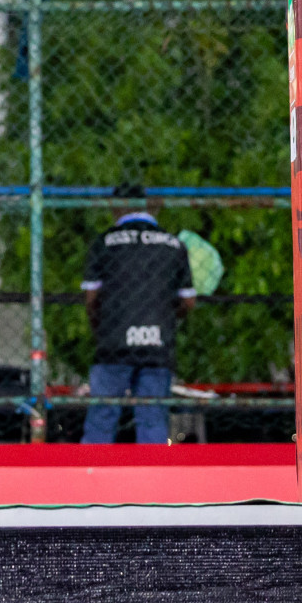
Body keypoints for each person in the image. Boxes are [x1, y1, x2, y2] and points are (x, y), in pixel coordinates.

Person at [79, 186, 198, 445]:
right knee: (153, 418)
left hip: (113, 341)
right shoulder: (173, 245)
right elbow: (188, 301)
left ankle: (91, 475)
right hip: (157, 342)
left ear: (116, 206)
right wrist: (168, 315)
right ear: (149, 206)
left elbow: (91, 299)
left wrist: (100, 326)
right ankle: (152, 478)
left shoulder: (104, 243)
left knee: (102, 416)